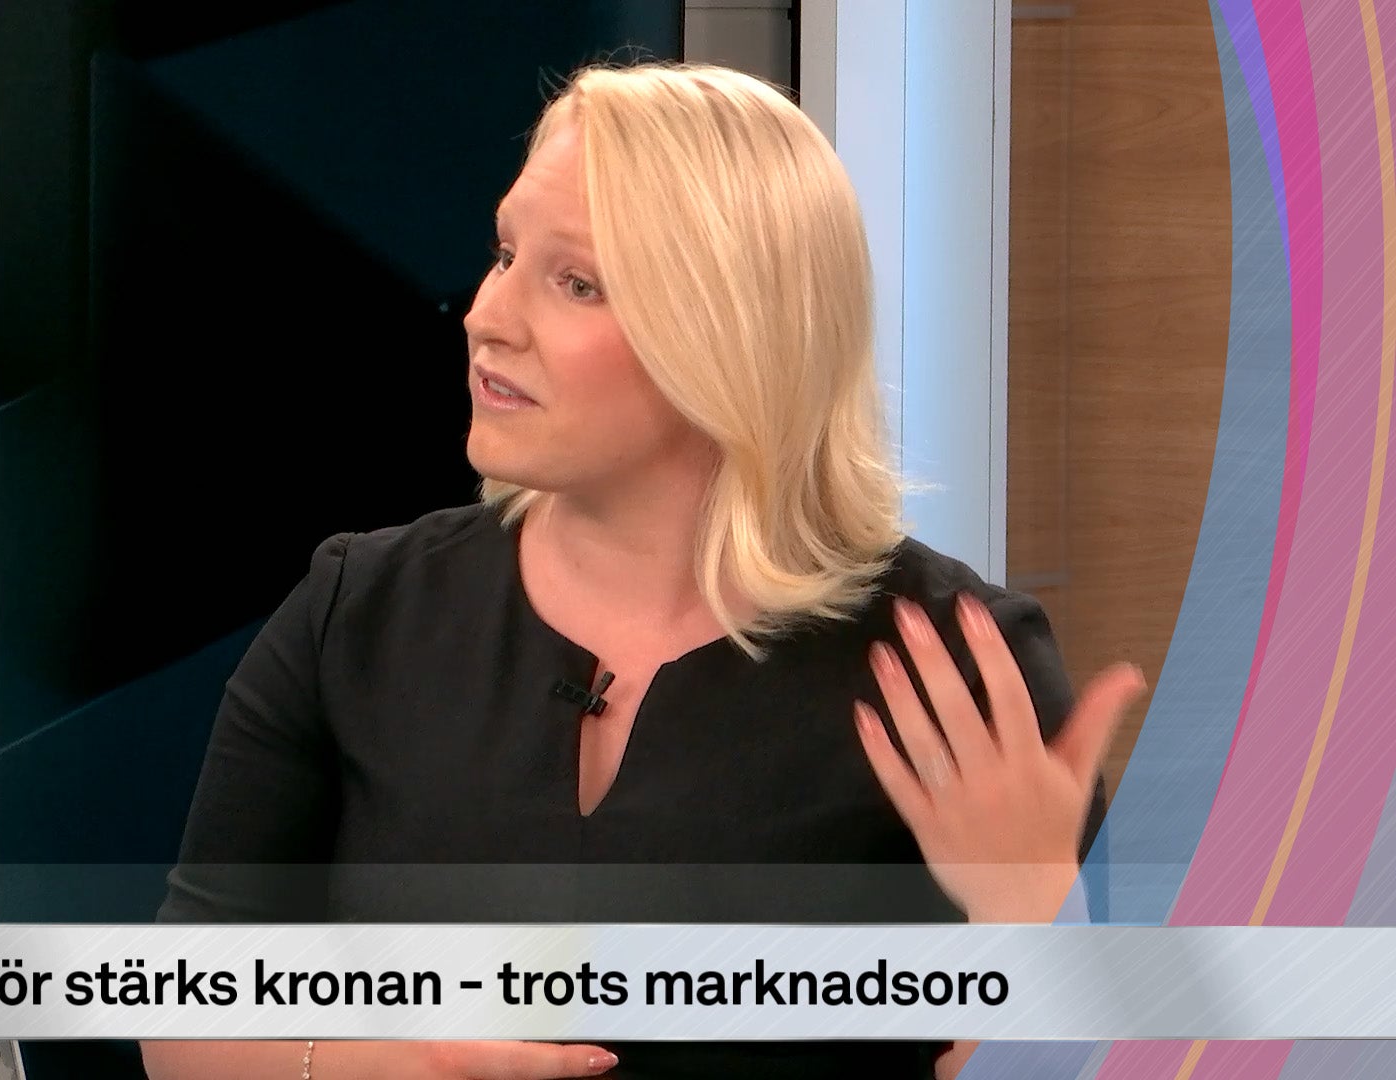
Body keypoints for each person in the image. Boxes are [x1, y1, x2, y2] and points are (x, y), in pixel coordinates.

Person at [140, 60, 1142, 1080]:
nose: (488, 315)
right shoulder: (358, 612)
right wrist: (403, 1067)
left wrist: (1034, 921)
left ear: (727, 334)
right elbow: (180, 1027)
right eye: (504, 254)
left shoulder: (954, 672)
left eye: (575, 283)